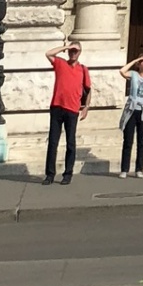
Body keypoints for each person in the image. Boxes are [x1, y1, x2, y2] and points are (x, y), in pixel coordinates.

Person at [43, 38, 91, 185]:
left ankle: (67, 173)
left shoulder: (83, 69)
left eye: (75, 51)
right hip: (57, 106)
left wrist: (86, 107)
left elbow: (88, 90)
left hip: (72, 109)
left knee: (70, 142)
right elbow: (48, 53)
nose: (72, 53)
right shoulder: (60, 63)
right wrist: (65, 47)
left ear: (80, 53)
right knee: (53, 142)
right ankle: (50, 174)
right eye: (71, 51)